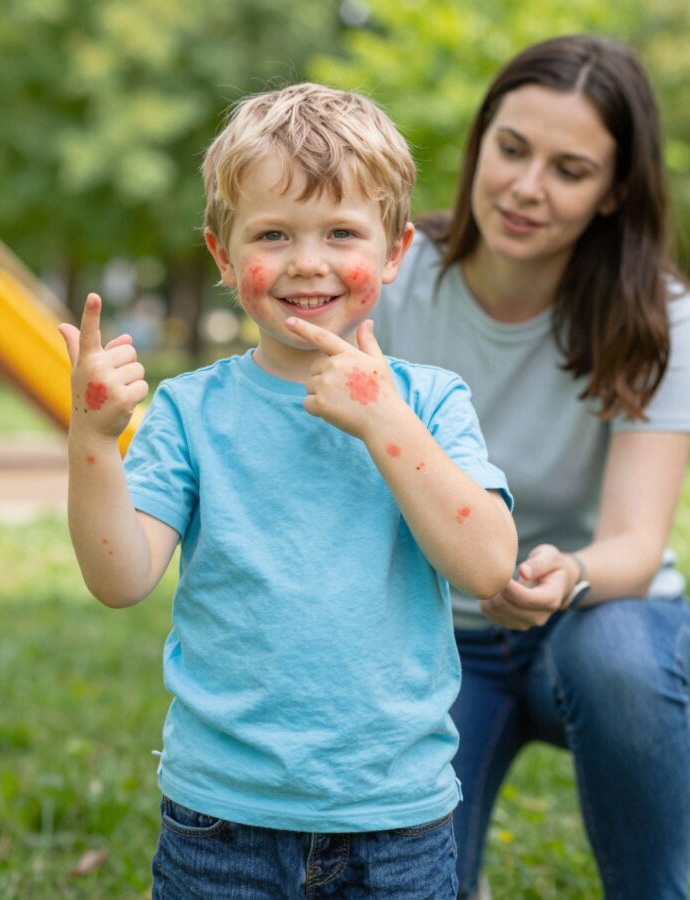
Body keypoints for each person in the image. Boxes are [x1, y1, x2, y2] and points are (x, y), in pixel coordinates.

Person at [60, 82, 518, 898]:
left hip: (397, 820)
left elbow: (487, 568)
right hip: (222, 823)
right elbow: (120, 578)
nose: (308, 262)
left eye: (341, 231)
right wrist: (94, 442)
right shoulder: (192, 410)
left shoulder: (430, 403)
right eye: (274, 232)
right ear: (224, 257)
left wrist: (385, 424)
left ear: (395, 252)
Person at [371, 35, 690, 900]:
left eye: (570, 169)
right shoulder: (389, 277)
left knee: (621, 661)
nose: (526, 189)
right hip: (432, 642)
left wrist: (564, 578)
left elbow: (636, 544)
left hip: (588, 623)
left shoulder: (656, 318)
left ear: (614, 193)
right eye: (512, 149)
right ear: (481, 140)